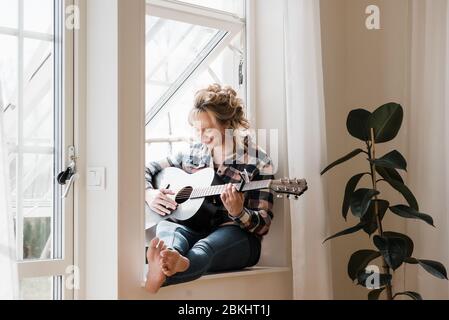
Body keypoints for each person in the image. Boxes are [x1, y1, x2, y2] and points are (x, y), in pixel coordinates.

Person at [144, 84, 275, 294]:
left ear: (228, 123)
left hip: (237, 238)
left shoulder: (258, 160)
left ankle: (170, 269)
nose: (201, 136)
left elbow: (263, 225)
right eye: (197, 129)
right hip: (193, 229)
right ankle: (168, 257)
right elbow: (147, 169)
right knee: (169, 230)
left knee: (205, 248)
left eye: (207, 129)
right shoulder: (192, 153)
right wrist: (149, 193)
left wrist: (238, 212)